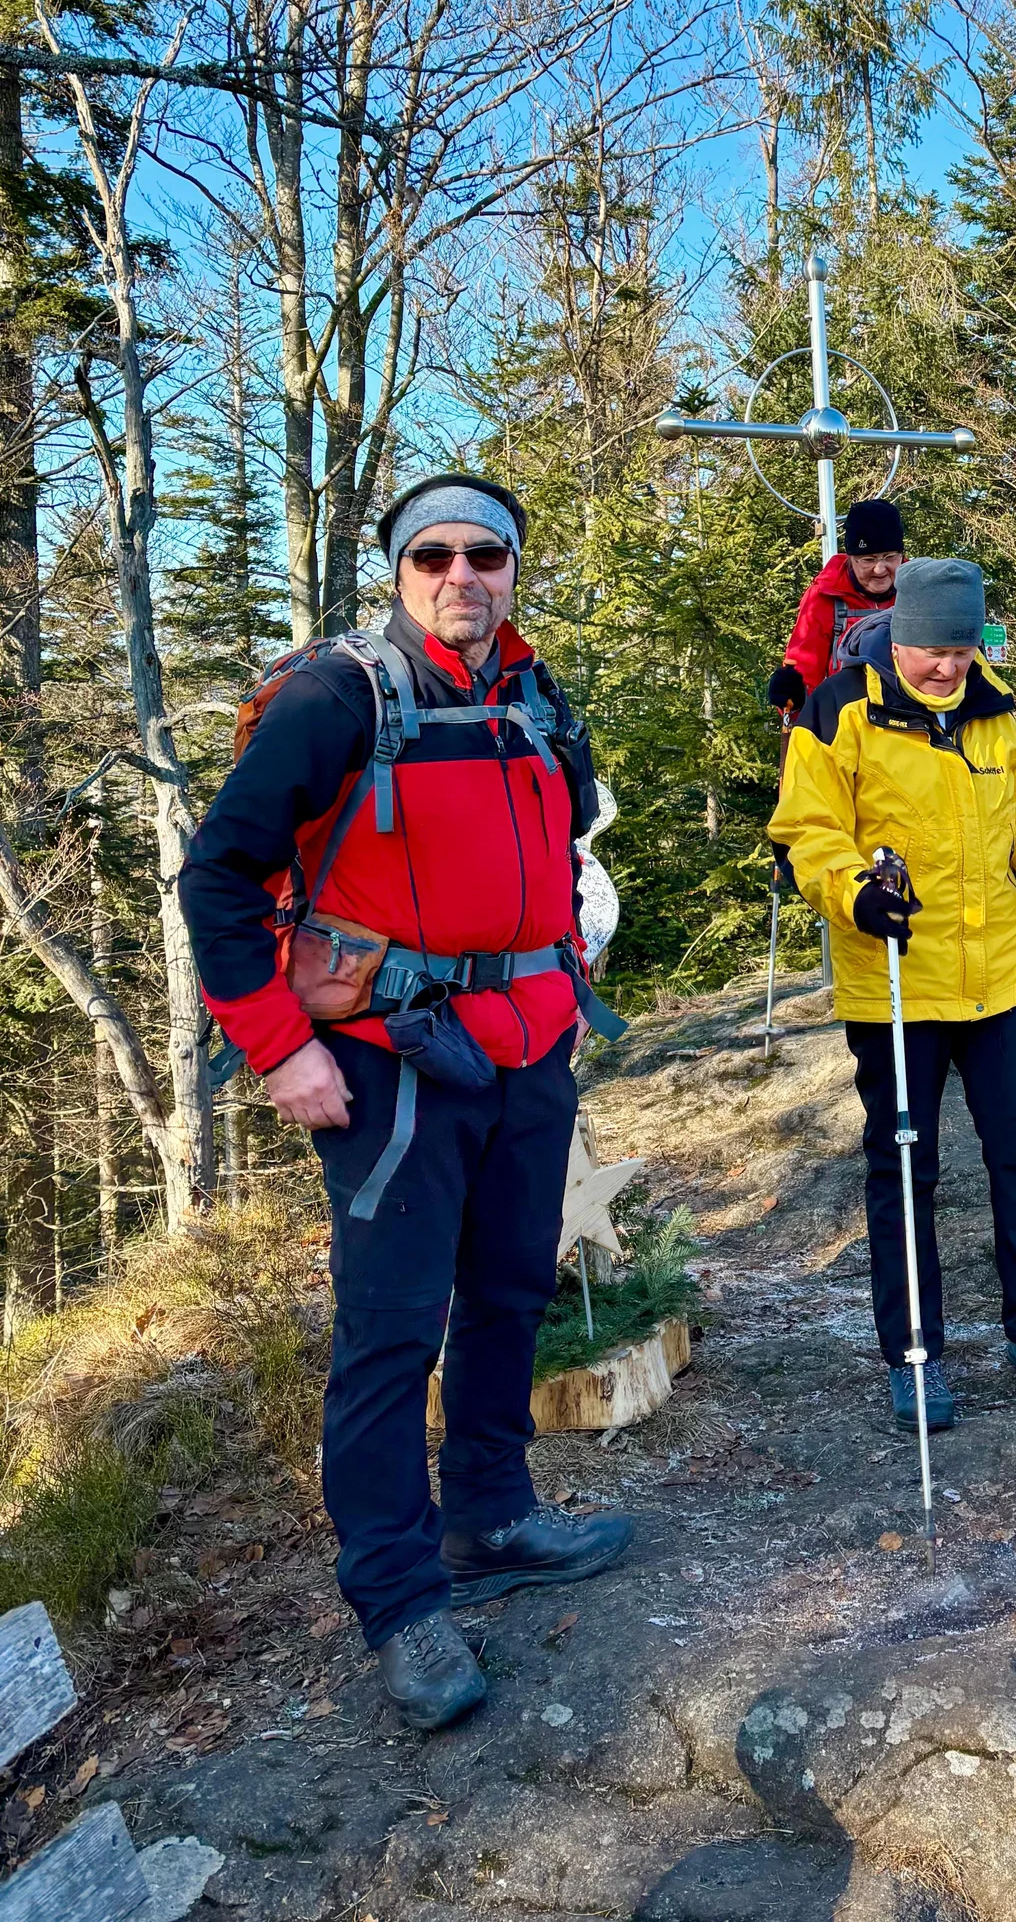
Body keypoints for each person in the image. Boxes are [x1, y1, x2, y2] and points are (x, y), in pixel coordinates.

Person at [180, 472, 632, 1732]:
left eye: (485, 554)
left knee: (511, 1291)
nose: (459, 576)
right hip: (390, 1061)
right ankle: (397, 1595)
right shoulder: (339, 697)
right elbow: (218, 876)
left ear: (512, 568)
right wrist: (279, 1048)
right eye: (431, 554)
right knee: (390, 1329)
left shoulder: (535, 696)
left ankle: (491, 1510)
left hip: (528, 1048)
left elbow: (564, 848)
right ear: (397, 570)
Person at [769, 556, 1016, 1430]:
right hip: (895, 979)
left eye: (960, 647)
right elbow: (807, 832)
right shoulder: (839, 709)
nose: (946, 666)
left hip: (997, 977)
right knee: (906, 1166)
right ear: (896, 634)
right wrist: (853, 889)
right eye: (929, 648)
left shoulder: (994, 707)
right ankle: (915, 1354)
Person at [767, 497, 907, 711]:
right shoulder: (824, 597)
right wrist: (793, 698)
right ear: (850, 557)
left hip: (912, 723)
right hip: (847, 723)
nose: (880, 569)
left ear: (901, 555)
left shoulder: (919, 591)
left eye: (889, 557)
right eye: (868, 560)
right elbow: (804, 668)